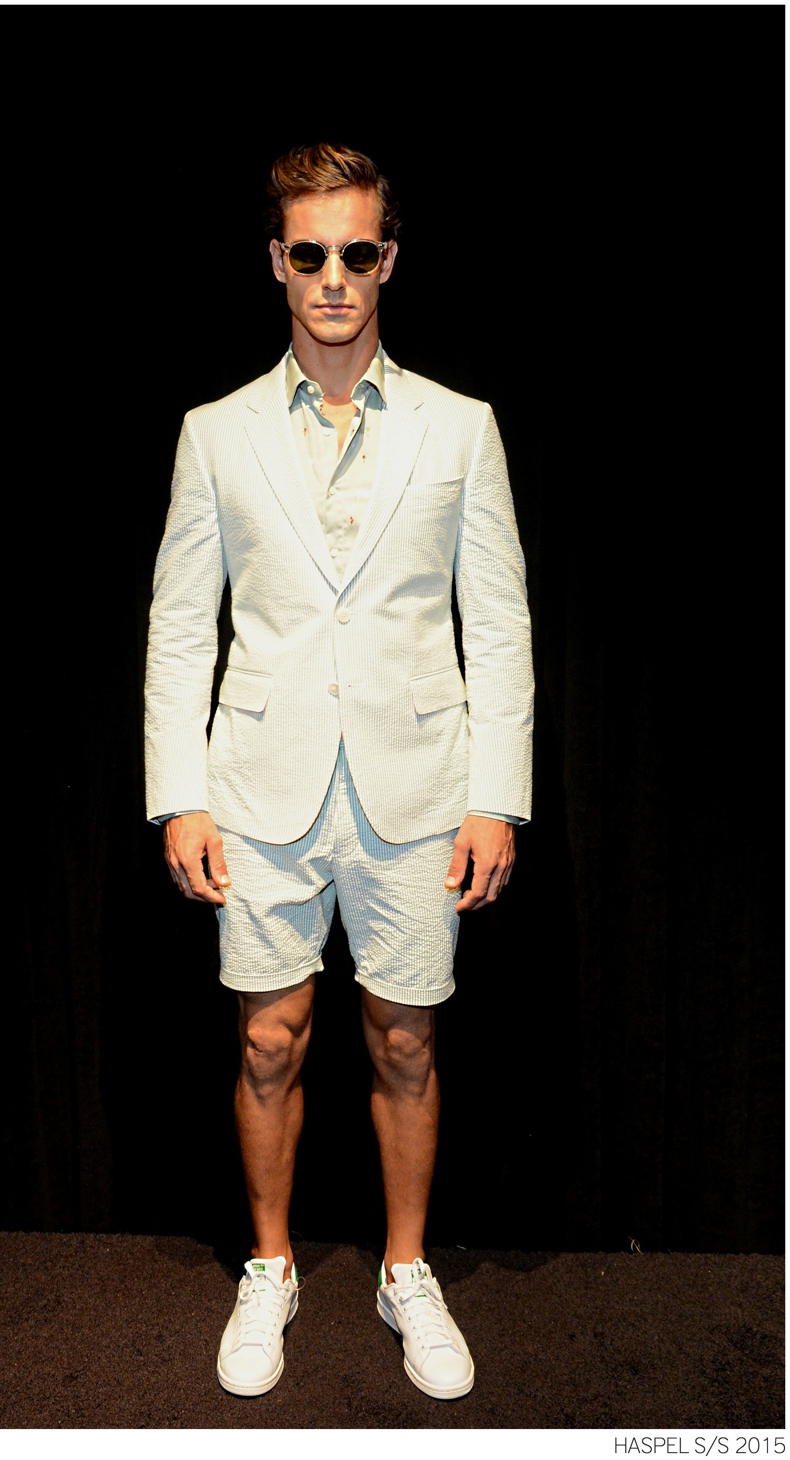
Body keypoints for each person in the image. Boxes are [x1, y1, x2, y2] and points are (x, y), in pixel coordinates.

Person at [144, 142, 533, 1401]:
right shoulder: (215, 435)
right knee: (269, 1038)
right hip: (260, 782)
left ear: (388, 260)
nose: (332, 276)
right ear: (276, 260)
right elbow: (181, 624)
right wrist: (180, 792)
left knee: (405, 1038)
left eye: (355, 252)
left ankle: (404, 1268)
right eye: (308, 252)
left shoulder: (462, 428)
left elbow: (499, 620)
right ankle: (271, 1264)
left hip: (417, 783)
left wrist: (496, 794)